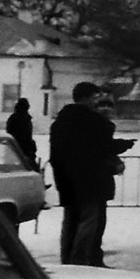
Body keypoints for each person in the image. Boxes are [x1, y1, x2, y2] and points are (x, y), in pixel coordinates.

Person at [49, 81, 117, 266]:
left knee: (70, 222)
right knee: (89, 223)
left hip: (66, 181)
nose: (97, 101)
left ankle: (67, 259)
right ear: (86, 98)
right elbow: (101, 148)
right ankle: (80, 261)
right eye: (95, 97)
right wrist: (121, 145)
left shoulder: (59, 123)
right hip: (90, 181)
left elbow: (55, 156)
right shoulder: (93, 122)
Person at [93, 95, 136, 266]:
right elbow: (104, 150)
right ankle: (94, 257)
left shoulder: (100, 126)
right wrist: (121, 147)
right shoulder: (101, 126)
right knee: (96, 221)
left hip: (95, 180)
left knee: (96, 220)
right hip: (97, 180)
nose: (106, 109)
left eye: (108, 106)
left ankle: (93, 255)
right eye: (102, 105)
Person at [6, 97, 39, 170]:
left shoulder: (13, 118)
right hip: (26, 148)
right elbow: (27, 135)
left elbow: (9, 131)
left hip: (14, 147)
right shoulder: (27, 119)